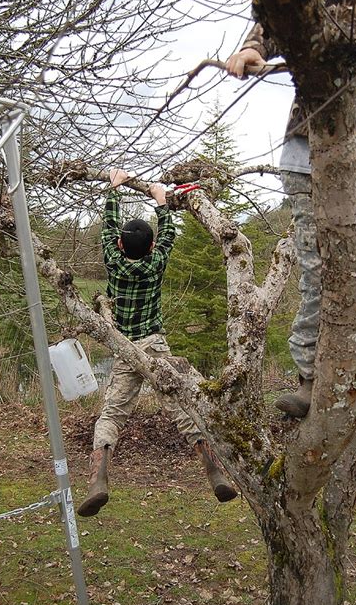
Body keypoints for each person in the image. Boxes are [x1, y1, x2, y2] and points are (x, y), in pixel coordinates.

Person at [226, 0, 356, 418]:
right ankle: (310, 377)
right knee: (324, 269)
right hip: (309, 154)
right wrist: (256, 46)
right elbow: (290, 7)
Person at [77, 167, 237, 517]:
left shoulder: (113, 260)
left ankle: (98, 477)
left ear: (119, 245)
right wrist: (161, 201)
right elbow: (168, 235)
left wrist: (114, 190)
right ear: (150, 246)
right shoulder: (157, 261)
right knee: (181, 407)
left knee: (113, 413)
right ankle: (214, 470)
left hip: (126, 349)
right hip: (154, 346)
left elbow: (107, 228)